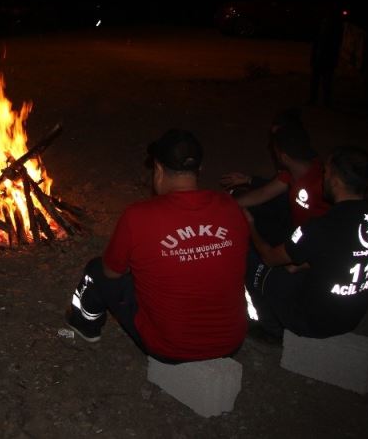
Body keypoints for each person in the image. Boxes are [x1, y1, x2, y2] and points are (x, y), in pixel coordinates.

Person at [66, 129, 250, 362]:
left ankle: (85, 325)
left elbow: (111, 272)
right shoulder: (230, 206)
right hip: (231, 342)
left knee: (96, 269)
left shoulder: (138, 216)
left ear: (159, 169)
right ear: (199, 169)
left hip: (168, 348)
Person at [246, 146, 368, 339]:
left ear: (335, 181)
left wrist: (250, 225)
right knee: (296, 261)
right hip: (351, 317)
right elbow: (344, 255)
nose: (322, 177)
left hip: (313, 322)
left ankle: (271, 330)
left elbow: (269, 258)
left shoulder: (321, 227)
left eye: (325, 172)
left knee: (252, 259)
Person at [222, 122, 329, 245]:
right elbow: (263, 193)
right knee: (245, 203)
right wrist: (224, 205)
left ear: (284, 157)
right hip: (296, 221)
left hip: (308, 238)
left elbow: (320, 232)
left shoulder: (318, 187)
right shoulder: (300, 167)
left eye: (275, 151)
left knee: (245, 233)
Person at [309, 8, 344, 107]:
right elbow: (317, 42)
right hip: (321, 57)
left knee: (325, 81)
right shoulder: (325, 25)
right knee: (318, 80)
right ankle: (315, 99)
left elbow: (335, 44)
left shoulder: (335, 27)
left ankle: (324, 101)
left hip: (326, 58)